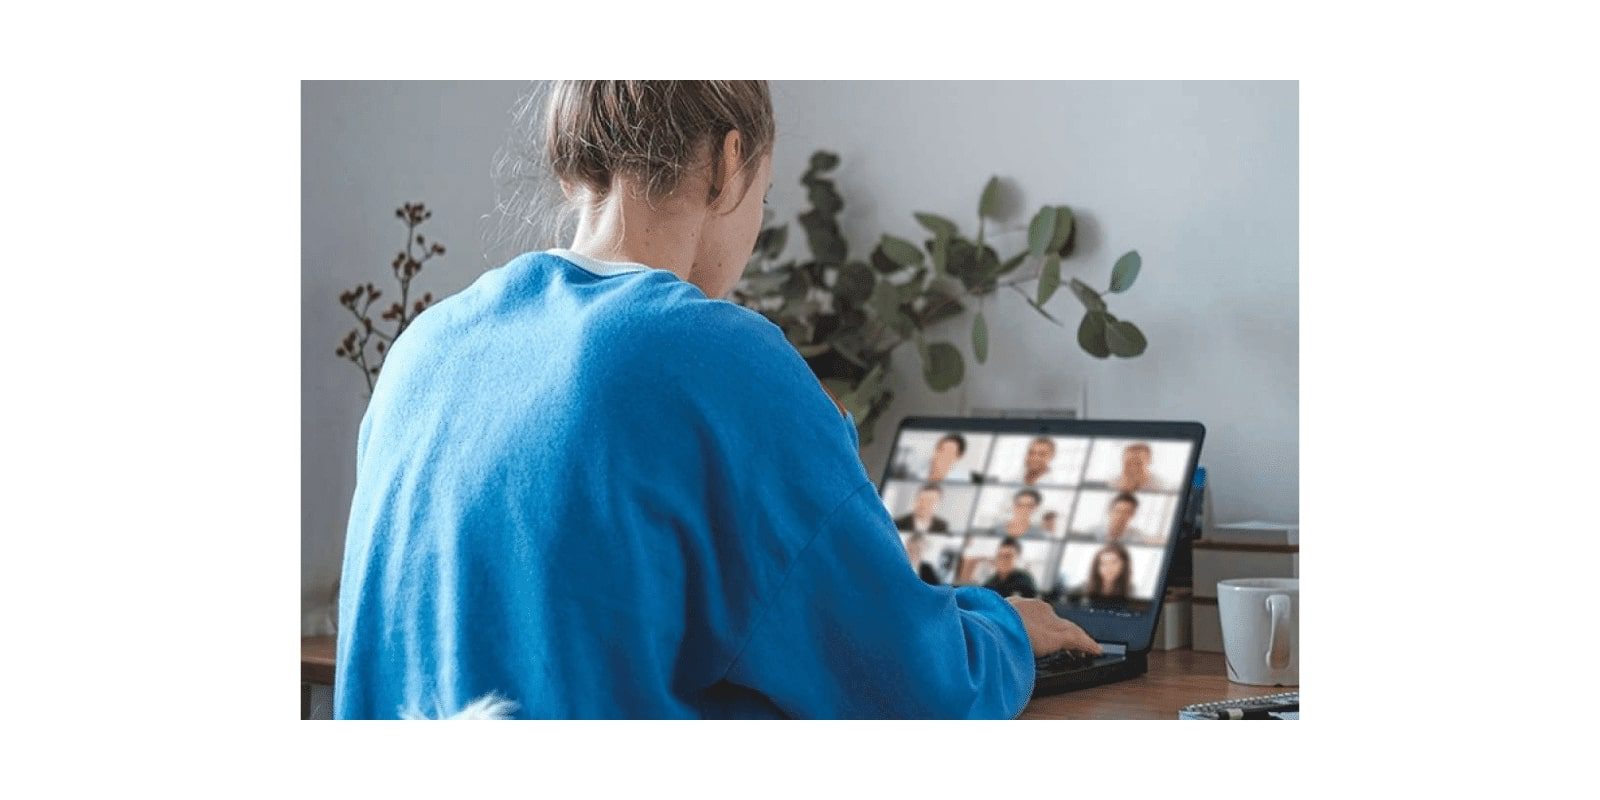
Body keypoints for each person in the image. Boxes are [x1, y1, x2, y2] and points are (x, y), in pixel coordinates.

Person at [336, 81, 1098, 720]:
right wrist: (1006, 628)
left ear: (578, 168)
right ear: (730, 165)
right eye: (763, 199)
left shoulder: (423, 351)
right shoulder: (716, 356)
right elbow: (913, 690)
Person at [1089, 492, 1160, 544]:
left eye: (1126, 512)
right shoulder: (1092, 532)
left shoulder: (1137, 536)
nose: (1121, 516)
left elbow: (1154, 540)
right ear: (1109, 511)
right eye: (1118, 511)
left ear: (1132, 515)